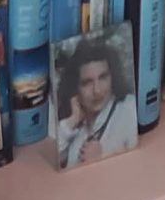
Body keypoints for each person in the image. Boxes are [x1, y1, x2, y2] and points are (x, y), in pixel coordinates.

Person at [54, 37, 138, 167]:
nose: (97, 90)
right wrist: (73, 120)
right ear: (75, 89)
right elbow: (53, 161)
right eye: (87, 83)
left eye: (103, 77)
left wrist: (101, 158)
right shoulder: (77, 131)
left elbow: (140, 167)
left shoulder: (128, 108)